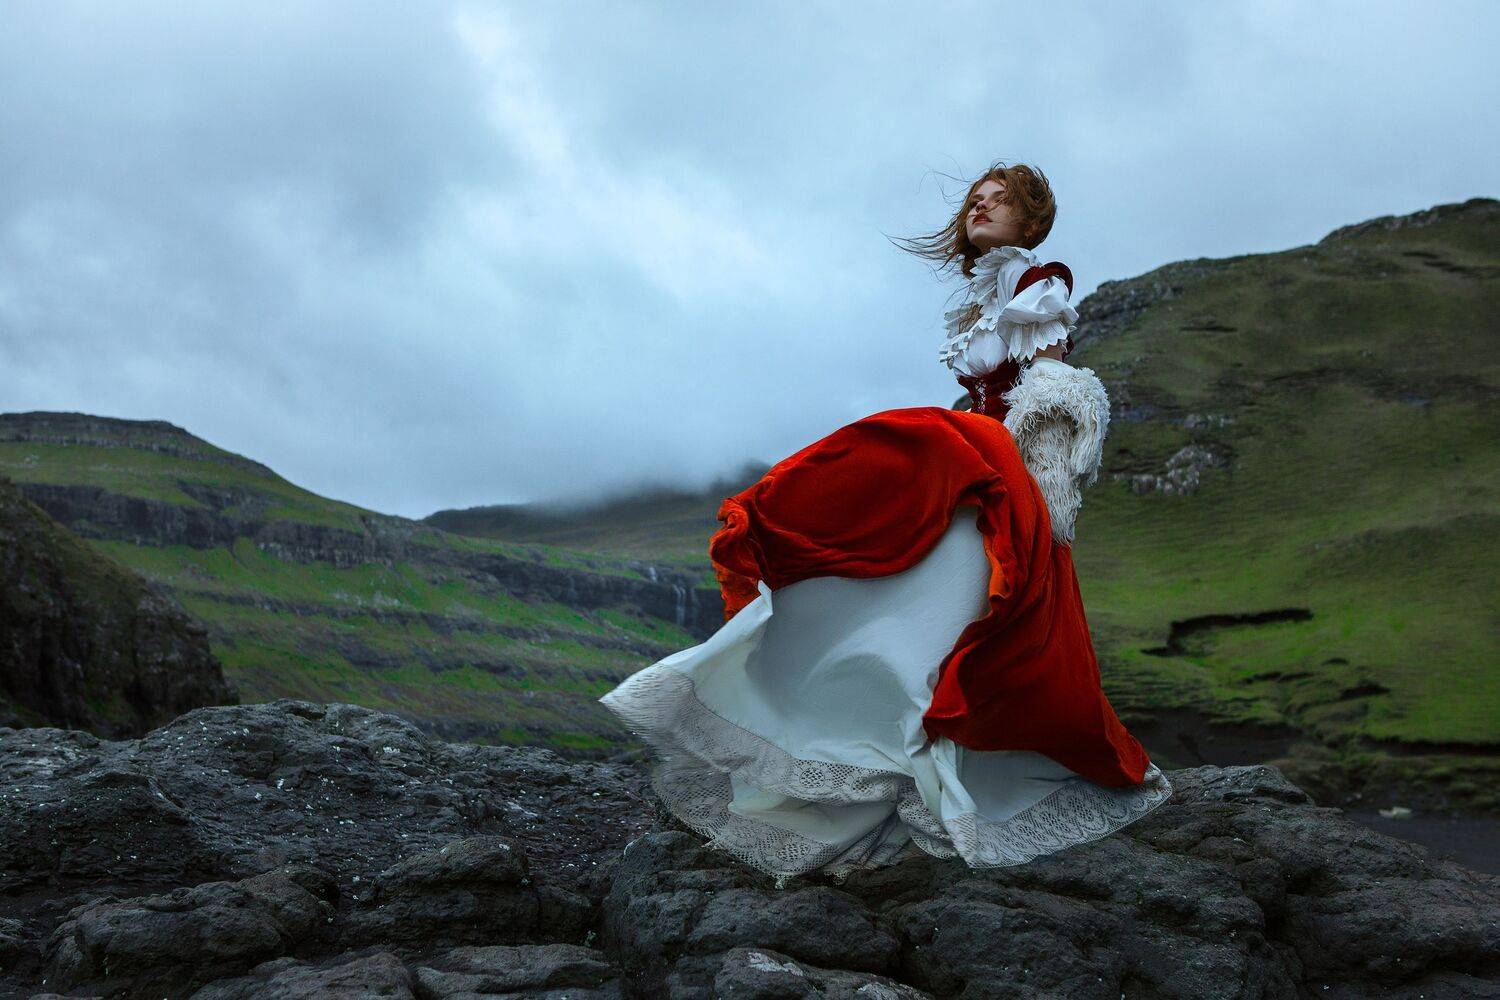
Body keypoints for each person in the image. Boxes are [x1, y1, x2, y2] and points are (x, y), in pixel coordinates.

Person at [599, 160, 1171, 885]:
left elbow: (1052, 388)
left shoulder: (1040, 283)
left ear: (1031, 220)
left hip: (1005, 479)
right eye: (975, 201)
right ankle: (872, 757)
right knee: (904, 596)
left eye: (999, 201)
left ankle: (927, 773)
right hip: (980, 472)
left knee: (951, 618)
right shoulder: (989, 295)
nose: (981, 209)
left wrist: (1037, 492)